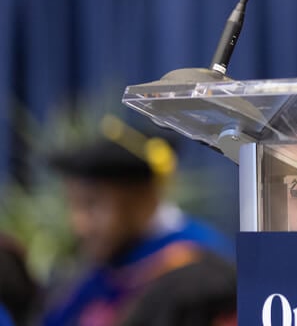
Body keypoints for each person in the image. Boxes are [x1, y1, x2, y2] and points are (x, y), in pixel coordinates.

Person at [41, 116, 233, 326]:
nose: (79, 225)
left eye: (92, 205)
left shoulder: (197, 266)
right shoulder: (104, 268)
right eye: (73, 205)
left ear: (143, 198)